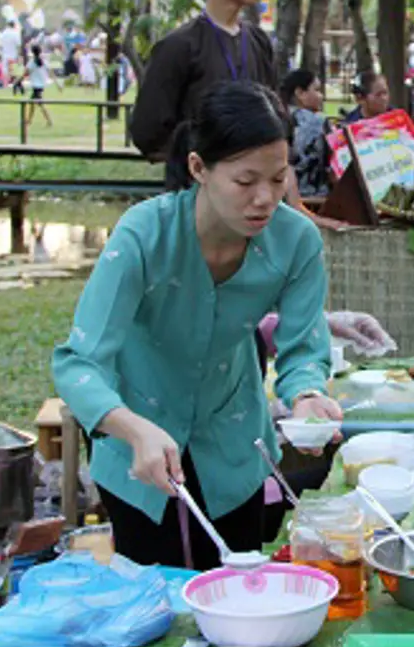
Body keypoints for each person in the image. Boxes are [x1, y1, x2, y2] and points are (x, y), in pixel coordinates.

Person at [52, 81, 341, 568]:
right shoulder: (144, 235)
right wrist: (131, 428)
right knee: (153, 607)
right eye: (246, 182)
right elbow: (79, 363)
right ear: (198, 168)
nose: (266, 198)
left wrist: (308, 393)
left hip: (233, 445)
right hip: (137, 446)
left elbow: (303, 348)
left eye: (277, 177)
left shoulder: (297, 241)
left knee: (238, 591)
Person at [132, 0, 278, 164]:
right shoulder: (179, 46)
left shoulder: (259, 42)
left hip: (256, 190)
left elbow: (278, 115)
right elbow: (147, 131)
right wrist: (204, 162)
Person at [282, 68, 332, 198]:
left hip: (284, 194)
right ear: (300, 93)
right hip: (316, 194)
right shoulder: (319, 122)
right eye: (317, 90)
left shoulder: (277, 119)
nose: (322, 96)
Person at [24, 45, 53, 127]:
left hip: (36, 86)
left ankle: (49, 121)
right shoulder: (43, 61)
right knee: (32, 103)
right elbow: (51, 71)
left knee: (40, 104)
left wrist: (17, 81)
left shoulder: (31, 62)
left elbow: (25, 73)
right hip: (41, 85)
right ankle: (29, 120)